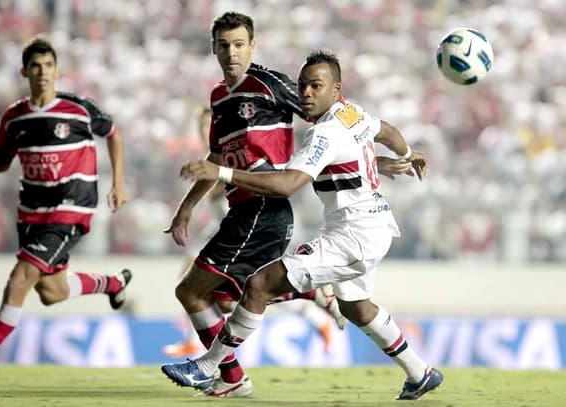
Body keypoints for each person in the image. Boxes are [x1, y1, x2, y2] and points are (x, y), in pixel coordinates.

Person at [162, 50, 442, 401]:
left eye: (316, 86)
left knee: (260, 284)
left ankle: (206, 367)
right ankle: (420, 373)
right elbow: (387, 131)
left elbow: (286, 185)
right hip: (374, 225)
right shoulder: (351, 113)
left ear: (336, 89)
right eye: (303, 86)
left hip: (353, 236)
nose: (306, 93)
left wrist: (219, 171)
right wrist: (403, 157)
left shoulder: (323, 134)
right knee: (356, 307)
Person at [163, 12, 352, 398]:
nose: (231, 53)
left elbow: (330, 114)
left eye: (239, 44)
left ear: (253, 46)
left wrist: (368, 149)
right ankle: (306, 294)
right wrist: (186, 208)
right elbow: (216, 159)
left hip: (265, 209)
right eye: (224, 45)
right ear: (213, 48)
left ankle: (227, 376)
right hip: (242, 211)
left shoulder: (270, 84)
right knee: (225, 295)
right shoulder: (219, 97)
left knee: (192, 292)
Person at [0, 37, 132, 385]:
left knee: (20, 280)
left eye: (48, 66)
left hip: (71, 209)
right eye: (36, 66)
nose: (43, 72)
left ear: (57, 70)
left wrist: (119, 182)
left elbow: (114, 134)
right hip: (33, 212)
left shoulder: (78, 109)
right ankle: (113, 283)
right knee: (51, 291)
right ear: (25, 71)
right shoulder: (14, 117)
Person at [163, 106, 346, 359]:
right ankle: (312, 299)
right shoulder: (216, 156)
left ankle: (310, 297)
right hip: (228, 227)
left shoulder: (233, 151)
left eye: (209, 125)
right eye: (202, 127)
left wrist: (215, 178)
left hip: (252, 225)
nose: (207, 130)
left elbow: (231, 183)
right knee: (225, 296)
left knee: (223, 289)